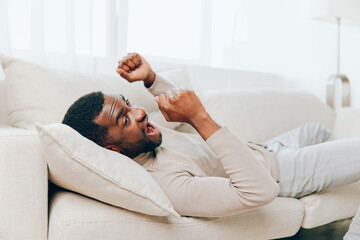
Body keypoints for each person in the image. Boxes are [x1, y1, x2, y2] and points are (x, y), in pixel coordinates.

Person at [62, 53, 360, 217]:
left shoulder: (146, 137)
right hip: (284, 172)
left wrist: (150, 78)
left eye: (128, 104)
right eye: (123, 119)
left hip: (269, 148)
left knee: (319, 130)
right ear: (112, 150)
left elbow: (170, 103)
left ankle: (337, 175)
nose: (139, 112)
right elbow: (260, 192)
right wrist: (198, 117)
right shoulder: (167, 183)